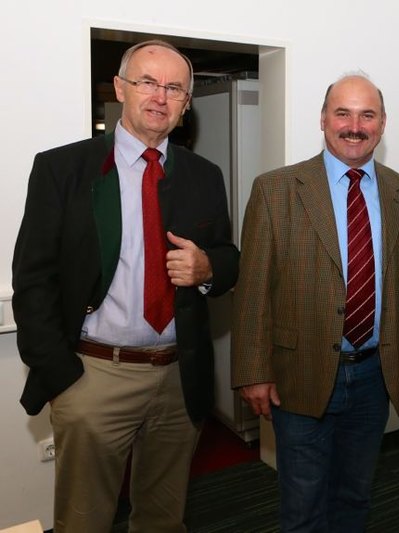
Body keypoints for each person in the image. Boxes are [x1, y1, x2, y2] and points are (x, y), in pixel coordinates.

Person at [12, 39, 239, 532]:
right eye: (147, 82)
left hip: (180, 378)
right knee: (84, 522)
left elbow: (228, 258)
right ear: (120, 88)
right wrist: (62, 377)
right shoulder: (62, 168)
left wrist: (207, 269)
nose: (160, 96)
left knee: (163, 520)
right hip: (94, 375)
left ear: (186, 103)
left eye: (174, 88)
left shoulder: (204, 175)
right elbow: (33, 280)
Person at [231, 73, 399, 532]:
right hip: (298, 374)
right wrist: (252, 371)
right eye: (343, 113)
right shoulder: (275, 189)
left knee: (355, 496)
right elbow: (253, 289)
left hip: (373, 377)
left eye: (367, 115)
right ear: (323, 119)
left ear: (382, 124)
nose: (354, 126)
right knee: (303, 504)